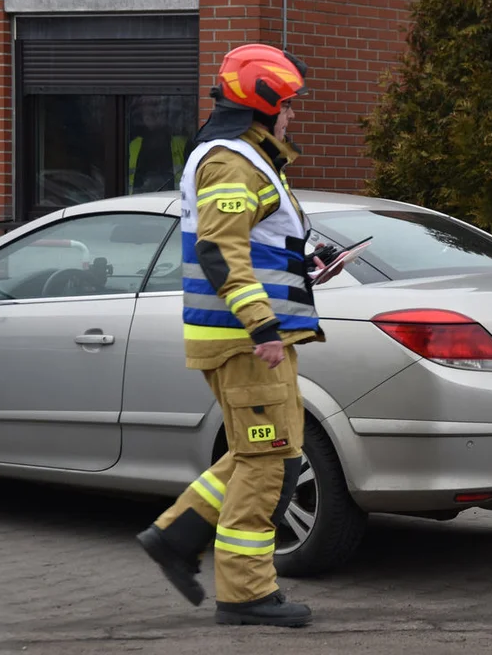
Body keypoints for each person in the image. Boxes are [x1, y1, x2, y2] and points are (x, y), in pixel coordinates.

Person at [136, 43, 339, 628]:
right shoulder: (230, 162)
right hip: (248, 343)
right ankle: (246, 593)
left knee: (271, 450)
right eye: (289, 106)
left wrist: (309, 270)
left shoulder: (247, 160)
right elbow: (220, 251)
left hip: (255, 340)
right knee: (268, 461)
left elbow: (255, 248)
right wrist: (262, 324)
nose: (293, 117)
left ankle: (176, 537)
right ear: (265, 105)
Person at [128, 95, 189, 194]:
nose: (152, 116)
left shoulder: (182, 145)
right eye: (148, 113)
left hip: (173, 202)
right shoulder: (133, 146)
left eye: (156, 112)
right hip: (137, 201)